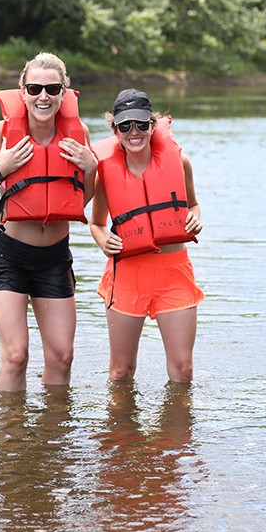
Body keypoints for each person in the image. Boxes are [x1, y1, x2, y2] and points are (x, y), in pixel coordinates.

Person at [0, 52, 96, 392]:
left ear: (64, 93)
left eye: (52, 89)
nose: (43, 97)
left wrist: (91, 167)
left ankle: (51, 441)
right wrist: (1, 169)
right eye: (35, 88)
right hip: (8, 256)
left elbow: (81, 199)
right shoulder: (1, 134)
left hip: (54, 257)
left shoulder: (78, 132)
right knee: (16, 355)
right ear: (22, 91)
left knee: (62, 356)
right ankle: (11, 438)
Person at [90, 88, 204, 383]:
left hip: (174, 271)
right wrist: (104, 240)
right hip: (127, 274)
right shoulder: (106, 173)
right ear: (115, 129)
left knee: (183, 370)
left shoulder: (180, 162)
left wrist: (195, 218)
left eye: (141, 123)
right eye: (125, 125)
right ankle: (121, 430)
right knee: (121, 371)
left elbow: (192, 204)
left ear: (153, 125)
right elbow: (97, 223)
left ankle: (177, 429)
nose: (134, 132)